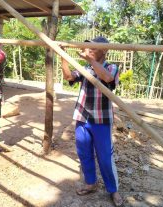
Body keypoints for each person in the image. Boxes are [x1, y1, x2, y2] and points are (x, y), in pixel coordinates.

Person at [60, 36, 123, 206]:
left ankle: (113, 189)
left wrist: (90, 61)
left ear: (104, 51)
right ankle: (91, 183)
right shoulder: (85, 67)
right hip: (82, 117)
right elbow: (68, 77)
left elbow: (107, 78)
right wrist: (63, 58)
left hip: (102, 120)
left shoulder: (112, 67)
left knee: (105, 157)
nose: (88, 51)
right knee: (84, 153)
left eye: (92, 48)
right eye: (87, 48)